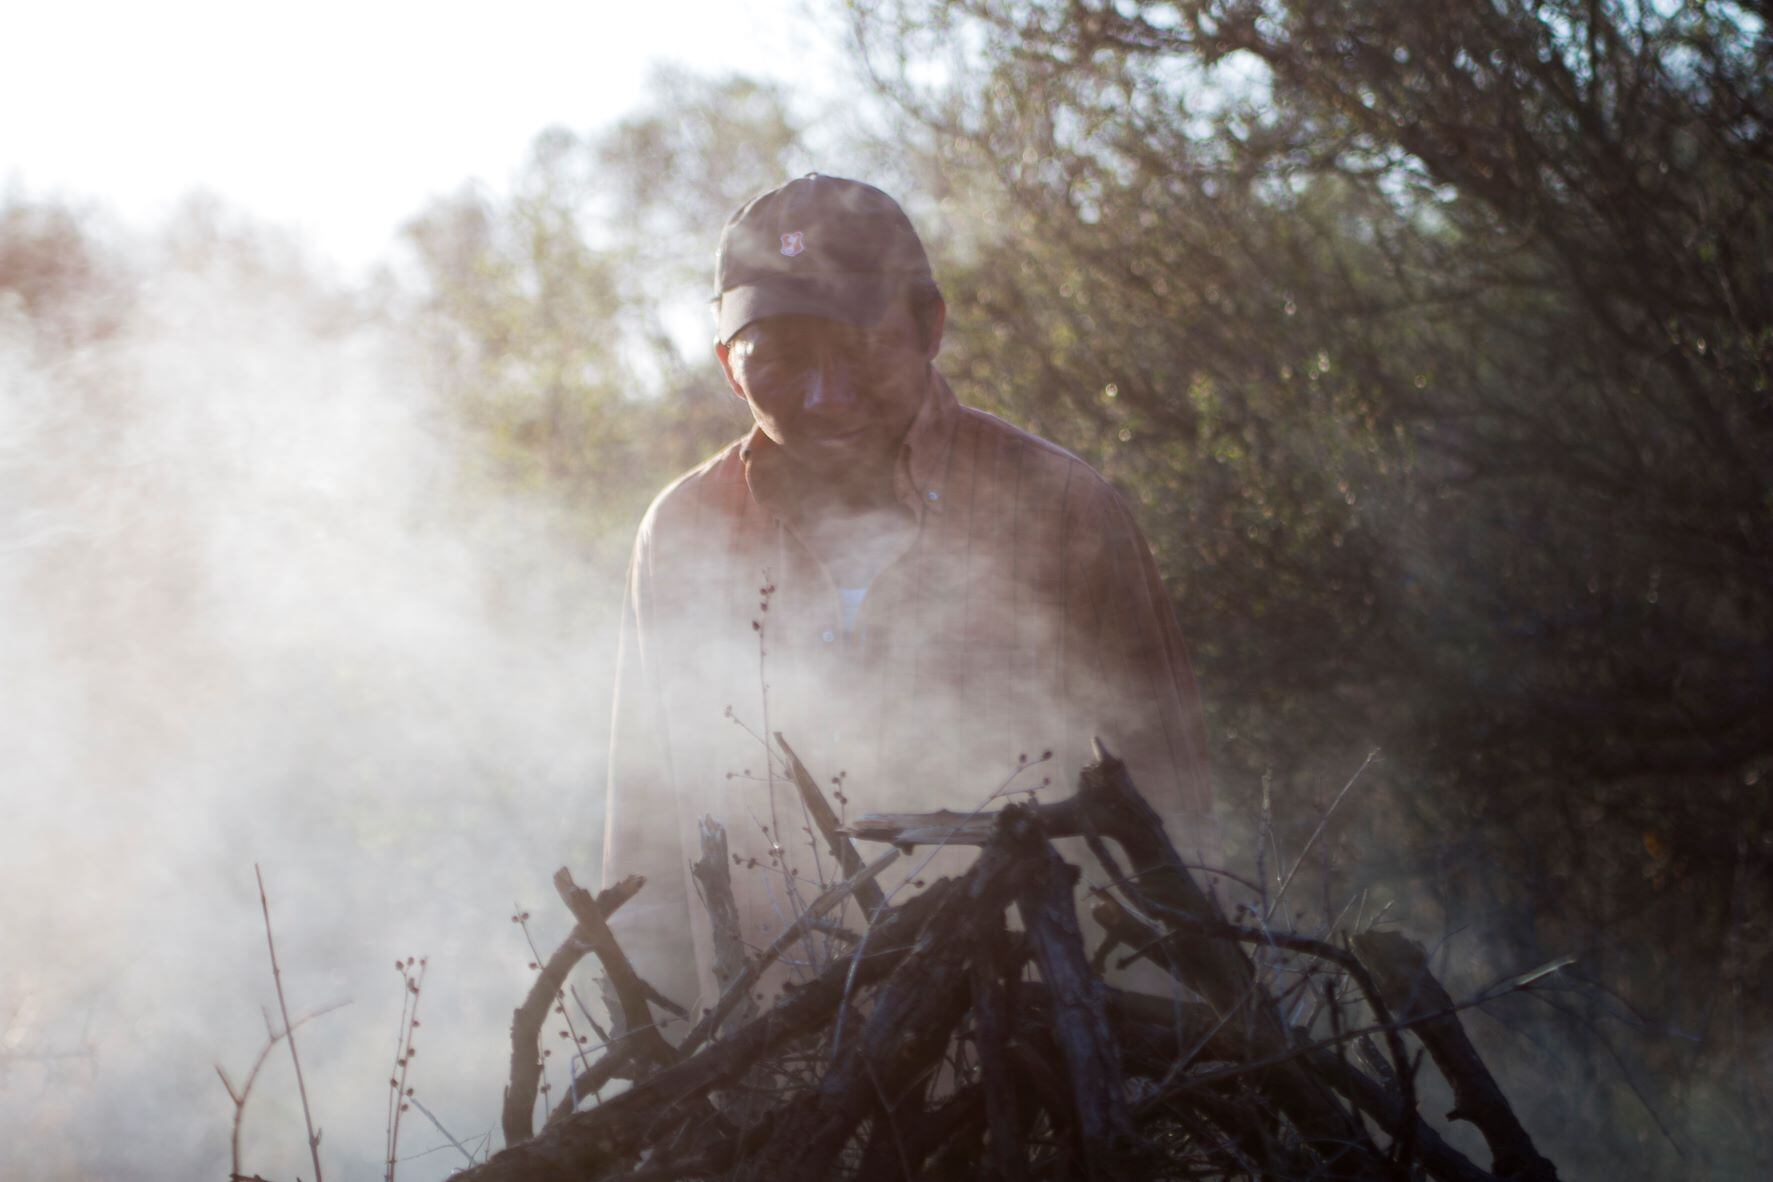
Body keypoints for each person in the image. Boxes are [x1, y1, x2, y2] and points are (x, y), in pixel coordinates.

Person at [601, 174, 1216, 1015]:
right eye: (780, 359)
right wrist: (653, 1095)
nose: (824, 396)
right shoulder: (683, 529)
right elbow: (647, 839)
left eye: (856, 350)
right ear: (728, 368)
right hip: (765, 1091)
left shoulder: (1061, 508)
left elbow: (1168, 822)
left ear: (929, 327)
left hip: (1024, 1080)